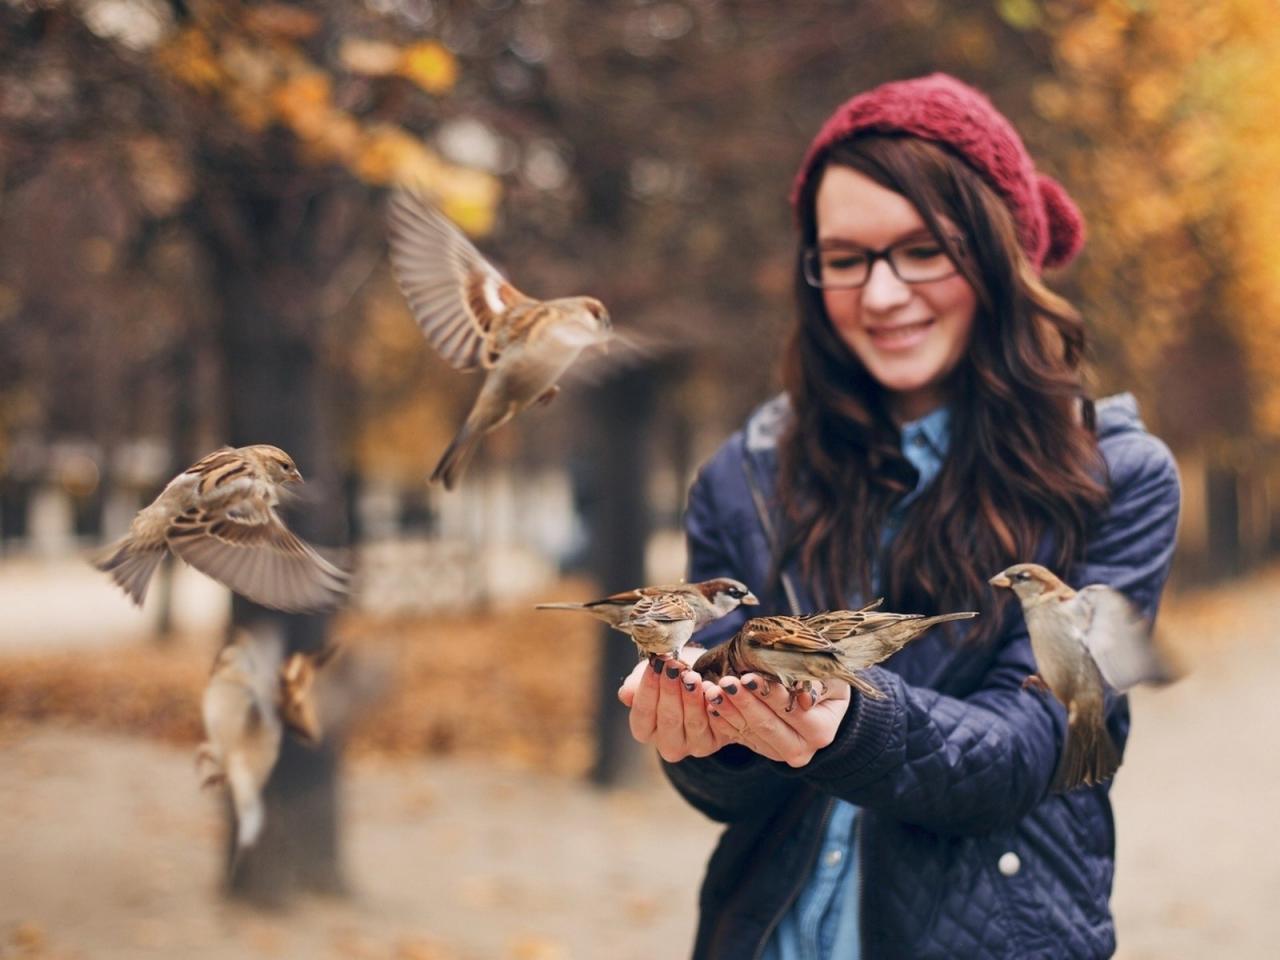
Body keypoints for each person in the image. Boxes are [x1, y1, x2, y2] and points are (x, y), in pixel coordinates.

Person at [618, 74, 1181, 959]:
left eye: (923, 250)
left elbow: (1026, 747)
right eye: (846, 257)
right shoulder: (745, 478)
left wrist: (851, 716)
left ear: (997, 255)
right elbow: (738, 799)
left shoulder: (1117, 479)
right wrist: (710, 737)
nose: (880, 296)